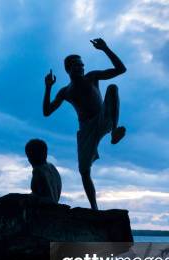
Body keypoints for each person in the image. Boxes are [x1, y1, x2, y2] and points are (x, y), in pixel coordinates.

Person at [43, 38, 126, 210]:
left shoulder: (92, 77)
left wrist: (105, 48)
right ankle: (94, 207)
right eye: (76, 66)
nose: (81, 68)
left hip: (103, 118)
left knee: (112, 88)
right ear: (68, 69)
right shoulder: (65, 91)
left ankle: (115, 132)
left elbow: (121, 69)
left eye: (82, 65)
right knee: (84, 171)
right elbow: (47, 112)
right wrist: (48, 87)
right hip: (86, 128)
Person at [25, 139, 62, 203]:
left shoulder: (38, 171)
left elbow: (49, 199)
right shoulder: (52, 167)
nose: (29, 160)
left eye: (29, 156)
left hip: (45, 209)